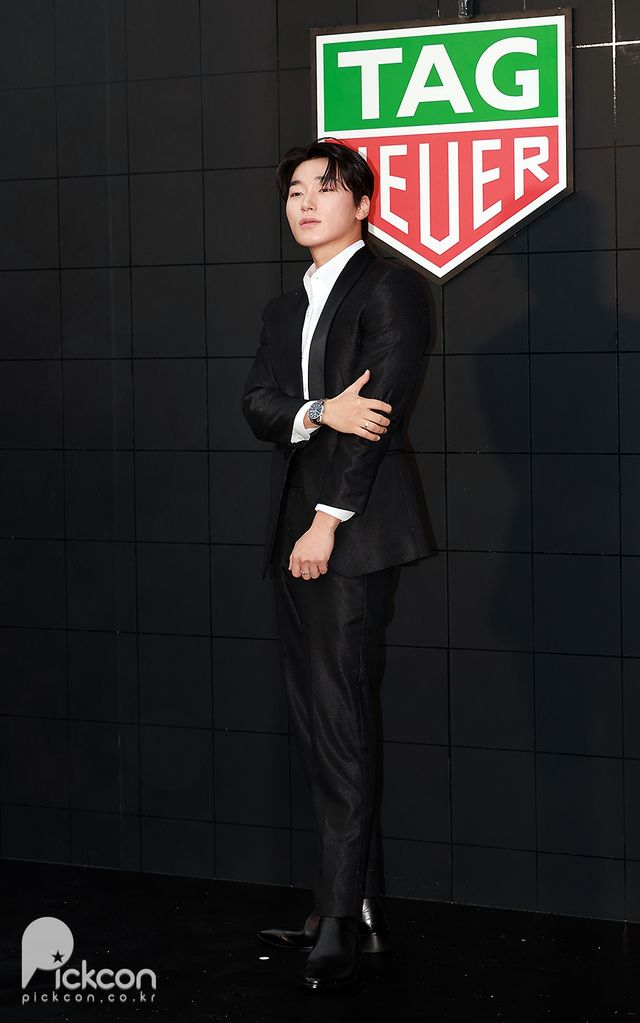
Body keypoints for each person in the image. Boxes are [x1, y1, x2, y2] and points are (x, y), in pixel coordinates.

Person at [241, 138, 434, 993]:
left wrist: (326, 523)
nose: (306, 202)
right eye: (295, 191)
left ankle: (343, 921)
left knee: (342, 724)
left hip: (345, 535)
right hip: (294, 534)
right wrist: (318, 408)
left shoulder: (391, 287)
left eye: (325, 188)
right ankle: (347, 904)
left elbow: (376, 420)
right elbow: (258, 405)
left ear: (363, 204)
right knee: (320, 724)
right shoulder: (284, 307)